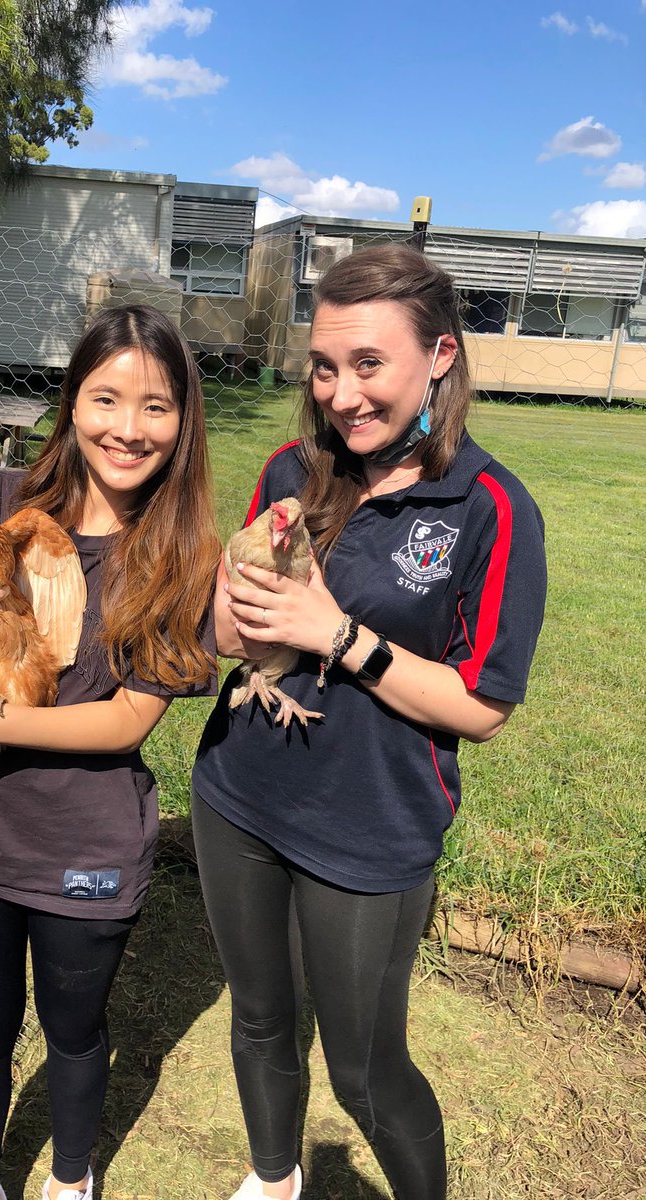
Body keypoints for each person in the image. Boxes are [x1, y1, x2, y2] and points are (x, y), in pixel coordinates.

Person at [191, 244, 547, 1200]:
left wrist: (339, 636)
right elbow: (227, 630)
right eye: (324, 365)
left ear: (439, 355)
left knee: (363, 1072)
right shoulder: (286, 470)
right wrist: (233, 607)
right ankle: (274, 1180)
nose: (340, 394)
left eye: (367, 364)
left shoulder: (489, 507)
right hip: (237, 796)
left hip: (369, 828)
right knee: (261, 1018)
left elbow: (484, 706)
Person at [0, 304, 218, 1200]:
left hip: (82, 844)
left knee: (75, 1033)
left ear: (184, 419)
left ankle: (72, 1180)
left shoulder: (182, 554)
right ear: (72, 400)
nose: (127, 428)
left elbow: (124, 722)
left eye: (156, 407)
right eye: (106, 398)